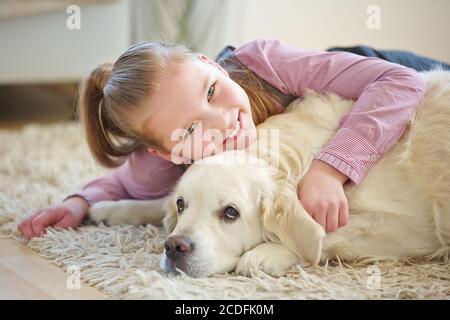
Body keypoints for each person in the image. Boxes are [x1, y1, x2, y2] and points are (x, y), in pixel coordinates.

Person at [18, 39, 434, 239]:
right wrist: (78, 202)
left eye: (212, 92)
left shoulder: (265, 62)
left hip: (378, 67)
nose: (223, 121)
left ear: (208, 63)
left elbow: (399, 81)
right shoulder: (160, 162)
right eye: (193, 130)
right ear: (167, 151)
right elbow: (125, 183)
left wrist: (329, 170)